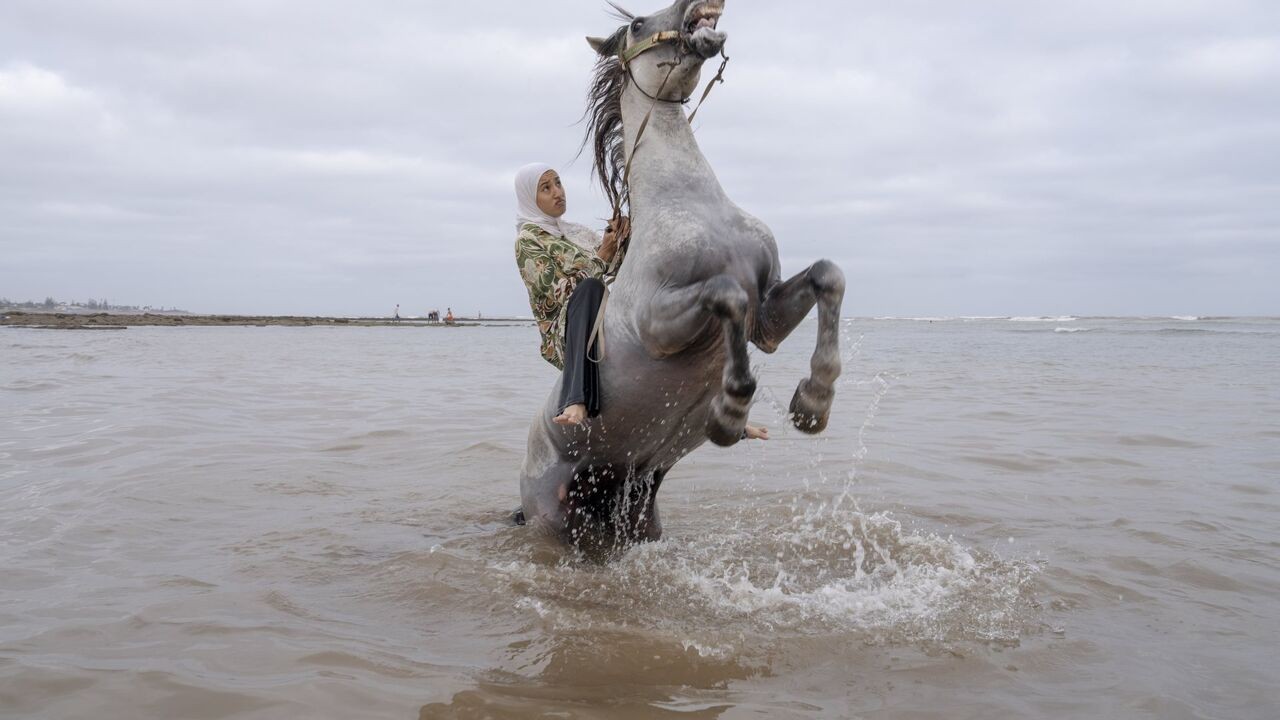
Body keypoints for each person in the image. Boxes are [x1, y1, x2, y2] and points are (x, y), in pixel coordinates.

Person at [513, 162, 768, 439]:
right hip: (566, 329)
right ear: (530, 198)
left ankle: (727, 419)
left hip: (601, 310)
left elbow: (617, 269)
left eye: (558, 183)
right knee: (589, 288)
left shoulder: (573, 232)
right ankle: (575, 399)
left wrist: (623, 239)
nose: (557, 192)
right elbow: (557, 293)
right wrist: (603, 255)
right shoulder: (528, 241)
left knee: (662, 323)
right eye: (546, 188)